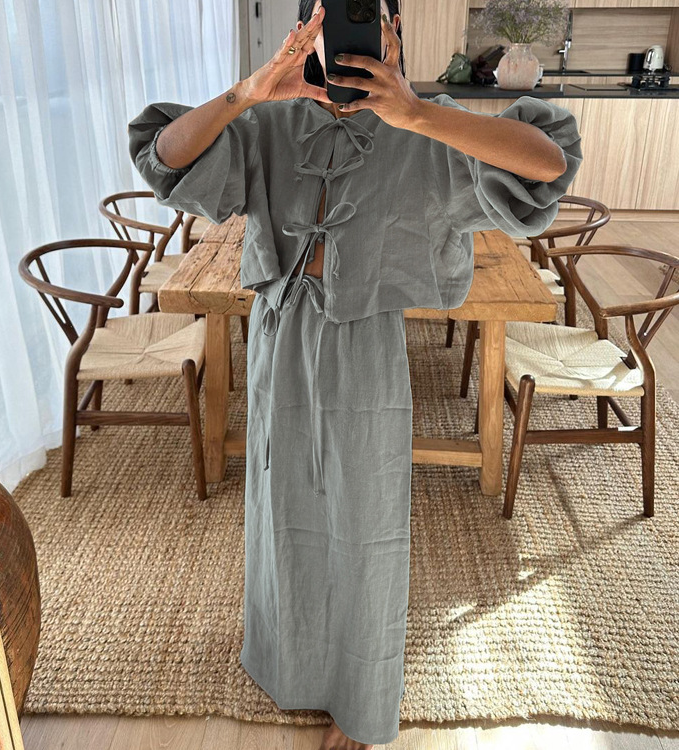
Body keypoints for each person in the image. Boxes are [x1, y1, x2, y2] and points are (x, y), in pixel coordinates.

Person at [127, 2, 582, 748]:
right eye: (326, 20)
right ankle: (289, 662)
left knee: (365, 522)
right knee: (281, 507)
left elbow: (547, 163)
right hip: (278, 332)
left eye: (369, 20)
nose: (347, 39)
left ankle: (361, 703)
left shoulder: (429, 130)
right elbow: (164, 157)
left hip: (366, 340)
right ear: (303, 34)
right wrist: (249, 91)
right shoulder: (268, 122)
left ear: (393, 35)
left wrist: (417, 112)